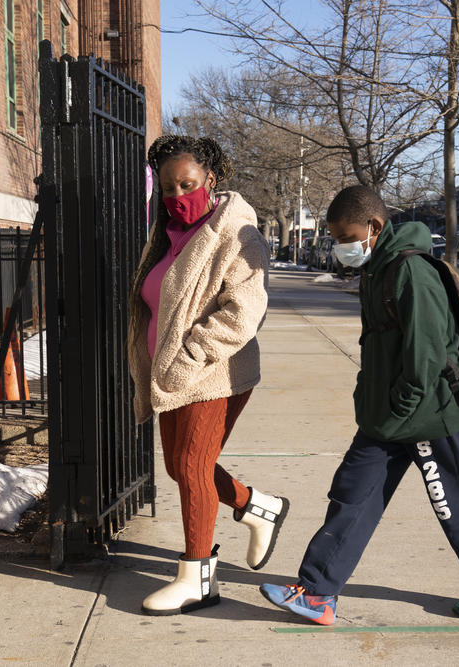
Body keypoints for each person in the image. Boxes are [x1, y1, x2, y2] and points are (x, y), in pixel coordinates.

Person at [259, 185, 459, 626]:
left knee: (454, 499)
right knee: (352, 494)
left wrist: (401, 409)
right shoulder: (376, 268)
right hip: (390, 413)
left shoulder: (411, 273)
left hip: (429, 411)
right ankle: (317, 592)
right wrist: (372, 402)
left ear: (375, 227)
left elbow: (424, 357)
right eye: (337, 239)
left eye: (347, 237)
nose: (342, 247)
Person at [127, 135, 289, 616]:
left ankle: (197, 579)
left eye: (188, 184)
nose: (178, 196)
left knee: (193, 468)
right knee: (180, 468)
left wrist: (191, 356)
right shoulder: (169, 235)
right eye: (169, 187)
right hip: (170, 374)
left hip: (214, 374)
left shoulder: (237, 234)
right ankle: (259, 507)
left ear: (210, 180)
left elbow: (244, 312)